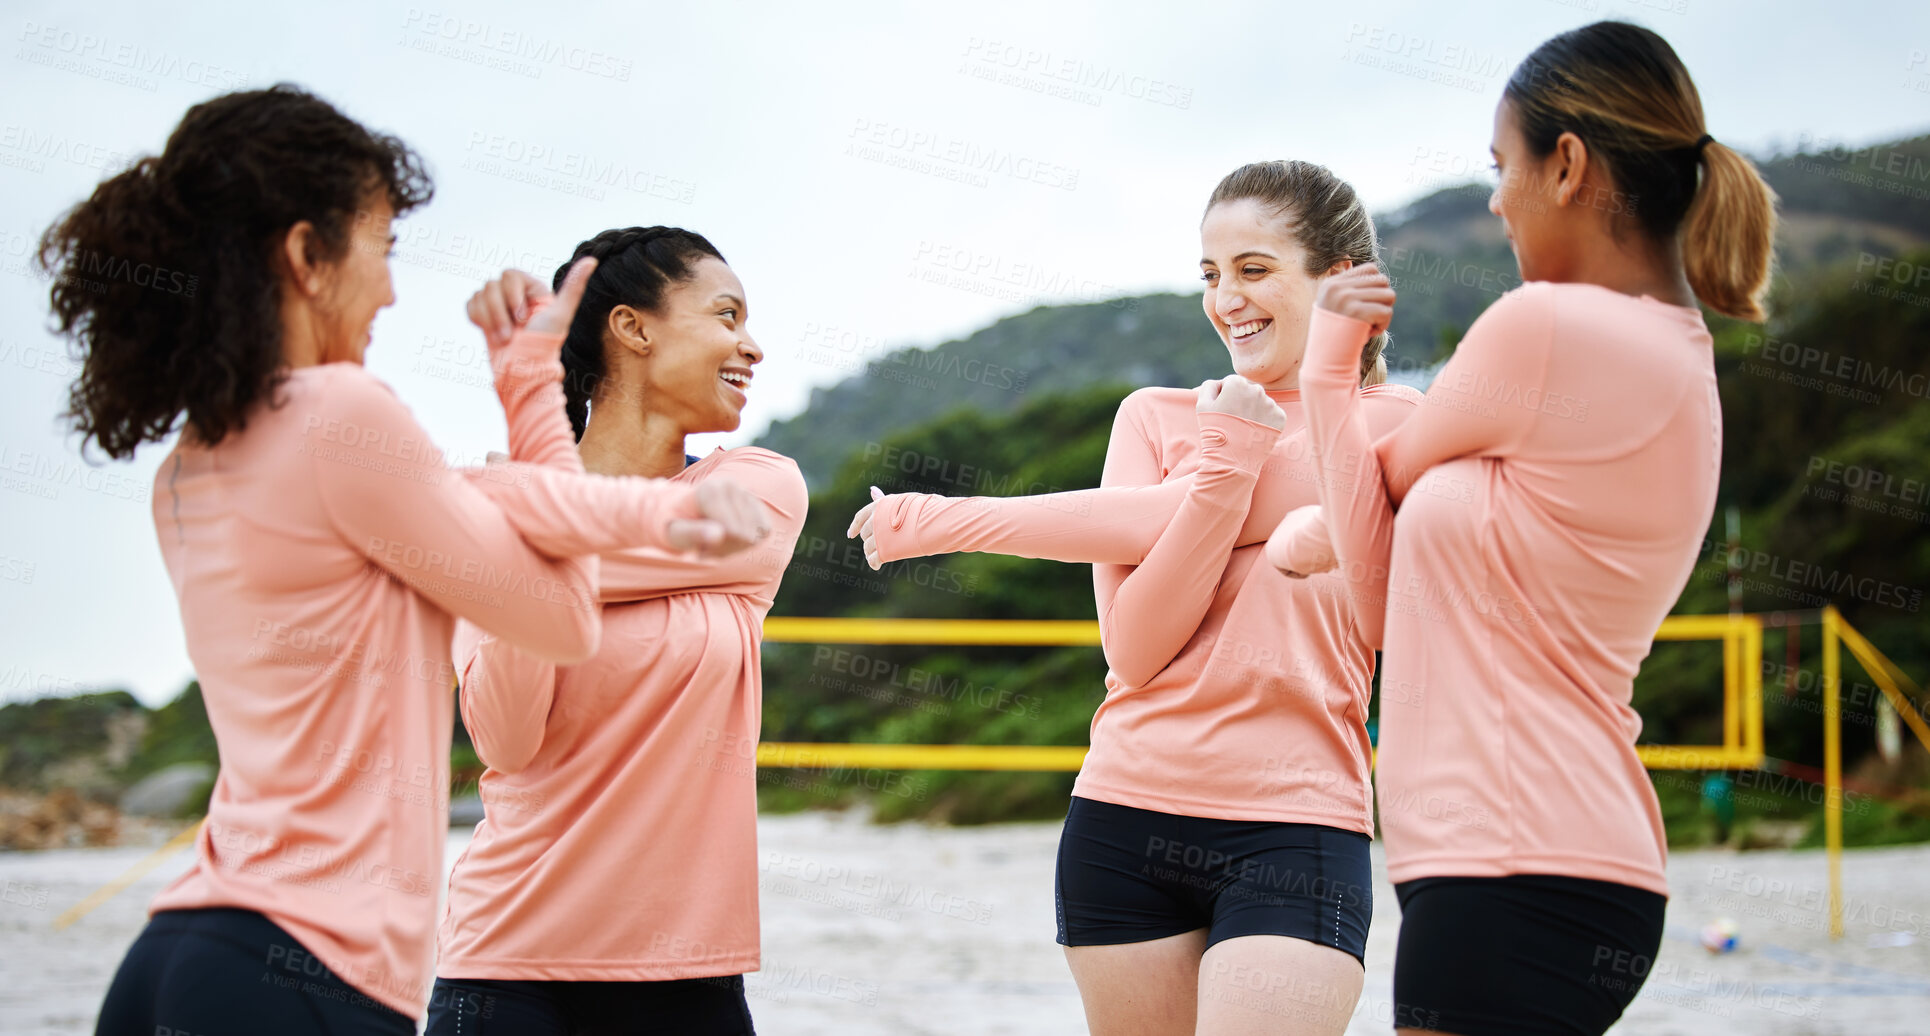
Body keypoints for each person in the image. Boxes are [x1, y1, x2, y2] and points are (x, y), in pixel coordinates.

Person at [45, 86, 769, 1035]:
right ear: (307, 256)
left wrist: (515, 478)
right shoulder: (346, 413)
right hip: (309, 967)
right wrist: (526, 397)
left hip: (177, 955)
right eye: (381, 250)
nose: (389, 288)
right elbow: (555, 615)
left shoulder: (185, 468)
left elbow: (502, 537)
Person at [1273, 20, 1777, 1036]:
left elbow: (1372, 576)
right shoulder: (1675, 352)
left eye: (1502, 166)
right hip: (1554, 860)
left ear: (1568, 165)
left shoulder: (1545, 327)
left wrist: (1329, 369)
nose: (1496, 198)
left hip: (1510, 862)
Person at [850, 161, 1421, 1035]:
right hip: (1124, 814)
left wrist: (943, 519)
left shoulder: (1383, 425)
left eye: (1254, 268)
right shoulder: (1151, 417)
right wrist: (1223, 472)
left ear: (1338, 278)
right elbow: (1137, 650)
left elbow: (1155, 517)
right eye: (1210, 273)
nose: (1226, 297)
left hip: (1294, 825)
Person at [426, 227, 806, 1036]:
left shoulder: (756, 488)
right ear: (634, 328)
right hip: (507, 965)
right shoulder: (491, 514)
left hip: (688, 974)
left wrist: (520, 536)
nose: (753, 346)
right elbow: (506, 736)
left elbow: (555, 561)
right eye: (728, 315)